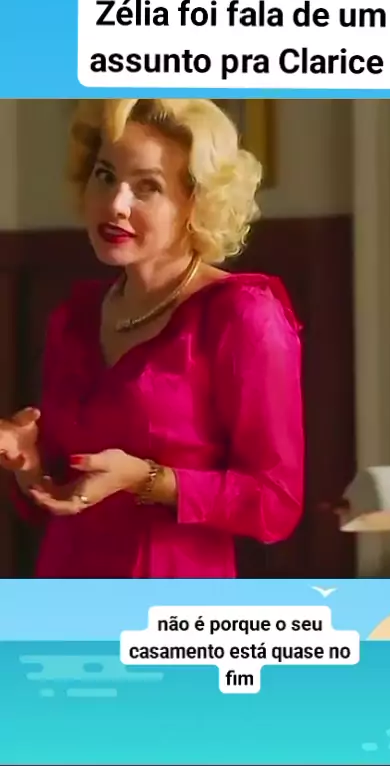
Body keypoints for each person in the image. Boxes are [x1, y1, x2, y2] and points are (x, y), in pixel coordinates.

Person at [0, 98, 304, 578]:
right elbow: (60, 494)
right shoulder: (74, 317)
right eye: (105, 176)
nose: (115, 204)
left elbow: (276, 503)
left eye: (148, 187)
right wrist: (28, 461)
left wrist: (147, 480)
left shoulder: (243, 315)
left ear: (195, 203)